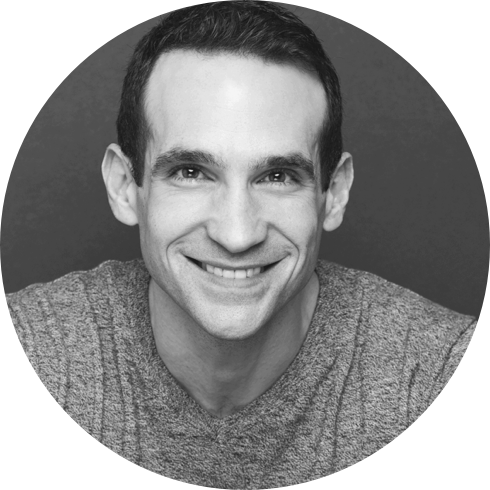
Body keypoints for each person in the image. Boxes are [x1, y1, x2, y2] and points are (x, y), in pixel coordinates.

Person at [6, 1, 477, 487]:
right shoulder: (37, 353)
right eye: (191, 172)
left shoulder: (435, 375)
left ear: (333, 195)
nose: (237, 235)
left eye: (278, 176)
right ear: (126, 187)